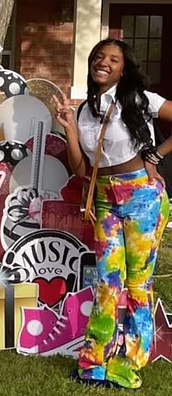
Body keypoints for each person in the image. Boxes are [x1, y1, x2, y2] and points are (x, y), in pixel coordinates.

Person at [53, 38, 171, 390]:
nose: (104, 62)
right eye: (99, 57)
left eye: (113, 59)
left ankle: (128, 365)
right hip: (104, 199)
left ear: (123, 69)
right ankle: (93, 363)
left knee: (137, 284)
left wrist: (156, 155)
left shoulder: (138, 99)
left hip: (141, 197)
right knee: (107, 281)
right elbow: (80, 169)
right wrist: (70, 130)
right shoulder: (84, 111)